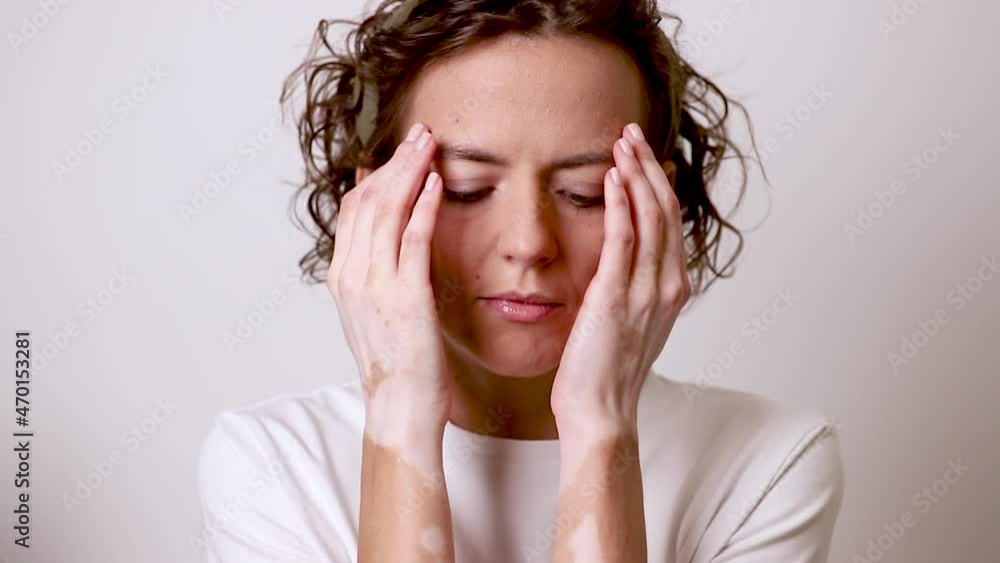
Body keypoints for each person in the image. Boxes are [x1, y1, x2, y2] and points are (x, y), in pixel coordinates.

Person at [196, 1, 845, 561]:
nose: (530, 243)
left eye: (584, 192)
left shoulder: (765, 462)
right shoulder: (272, 466)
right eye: (468, 188)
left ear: (658, 204)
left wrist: (600, 425)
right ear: (375, 202)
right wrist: (400, 418)